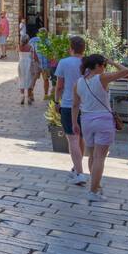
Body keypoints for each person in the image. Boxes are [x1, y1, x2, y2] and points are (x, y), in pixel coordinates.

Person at [74, 54, 128, 202]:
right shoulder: (102, 78)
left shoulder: (79, 82)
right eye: (104, 65)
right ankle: (93, 191)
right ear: (98, 66)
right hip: (103, 120)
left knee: (92, 155)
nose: (105, 68)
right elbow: (126, 71)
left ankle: (95, 187)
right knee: (100, 157)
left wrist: (74, 123)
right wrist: (112, 61)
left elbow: (75, 105)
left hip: (86, 120)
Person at [54, 36, 89, 187]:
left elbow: (60, 85)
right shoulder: (88, 64)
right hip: (86, 105)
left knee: (72, 138)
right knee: (80, 137)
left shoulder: (64, 62)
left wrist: (56, 100)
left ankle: (80, 173)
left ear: (71, 48)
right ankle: (77, 167)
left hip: (69, 104)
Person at [17, 27, 37, 105]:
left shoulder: (19, 47)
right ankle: (28, 97)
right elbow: (34, 57)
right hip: (28, 63)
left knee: (21, 78)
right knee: (29, 79)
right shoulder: (30, 47)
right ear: (28, 40)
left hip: (21, 63)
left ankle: (22, 96)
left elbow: (18, 55)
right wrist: (38, 62)